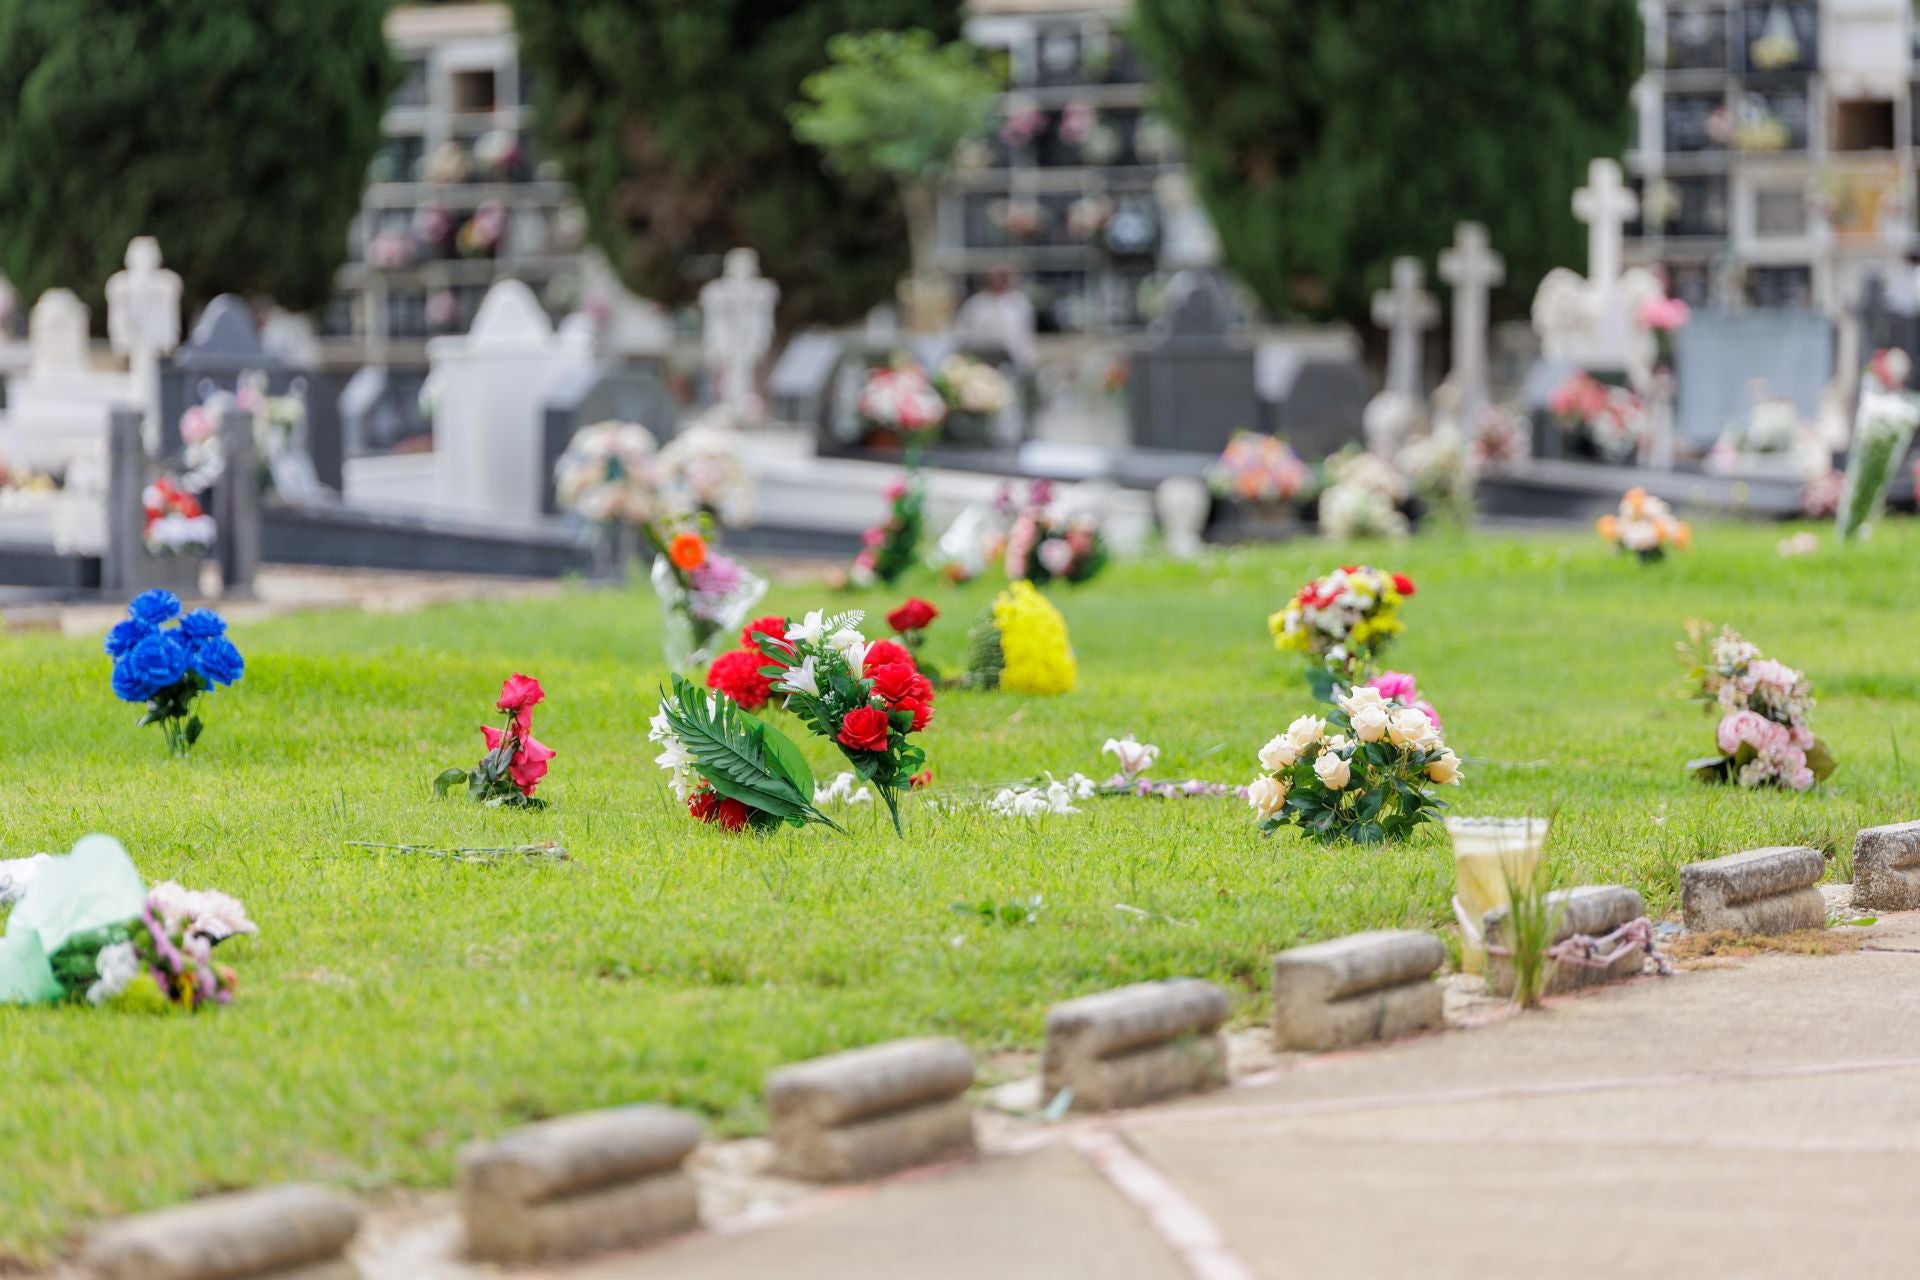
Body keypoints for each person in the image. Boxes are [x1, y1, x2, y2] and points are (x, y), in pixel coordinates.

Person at [954, 267, 1036, 367]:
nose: (997, 280)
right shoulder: (975, 303)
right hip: (982, 361)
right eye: (993, 277)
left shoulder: (1019, 302)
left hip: (1014, 360)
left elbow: (1025, 334)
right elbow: (962, 334)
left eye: (1000, 276)